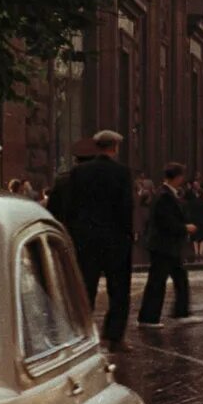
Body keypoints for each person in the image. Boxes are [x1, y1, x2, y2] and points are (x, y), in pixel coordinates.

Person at [47, 130, 137, 348]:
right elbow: (126, 207)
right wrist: (129, 233)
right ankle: (114, 337)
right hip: (115, 238)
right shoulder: (122, 172)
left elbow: (72, 205)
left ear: (97, 147)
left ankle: (82, 333)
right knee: (119, 290)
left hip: (85, 238)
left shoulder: (79, 172)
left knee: (85, 286)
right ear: (114, 147)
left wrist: (74, 231)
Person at [141, 163, 194, 325]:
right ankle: (149, 318)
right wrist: (184, 227)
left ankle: (180, 312)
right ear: (177, 177)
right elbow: (166, 222)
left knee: (178, 279)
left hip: (168, 246)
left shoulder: (166, 193)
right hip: (164, 246)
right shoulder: (164, 195)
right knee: (158, 282)